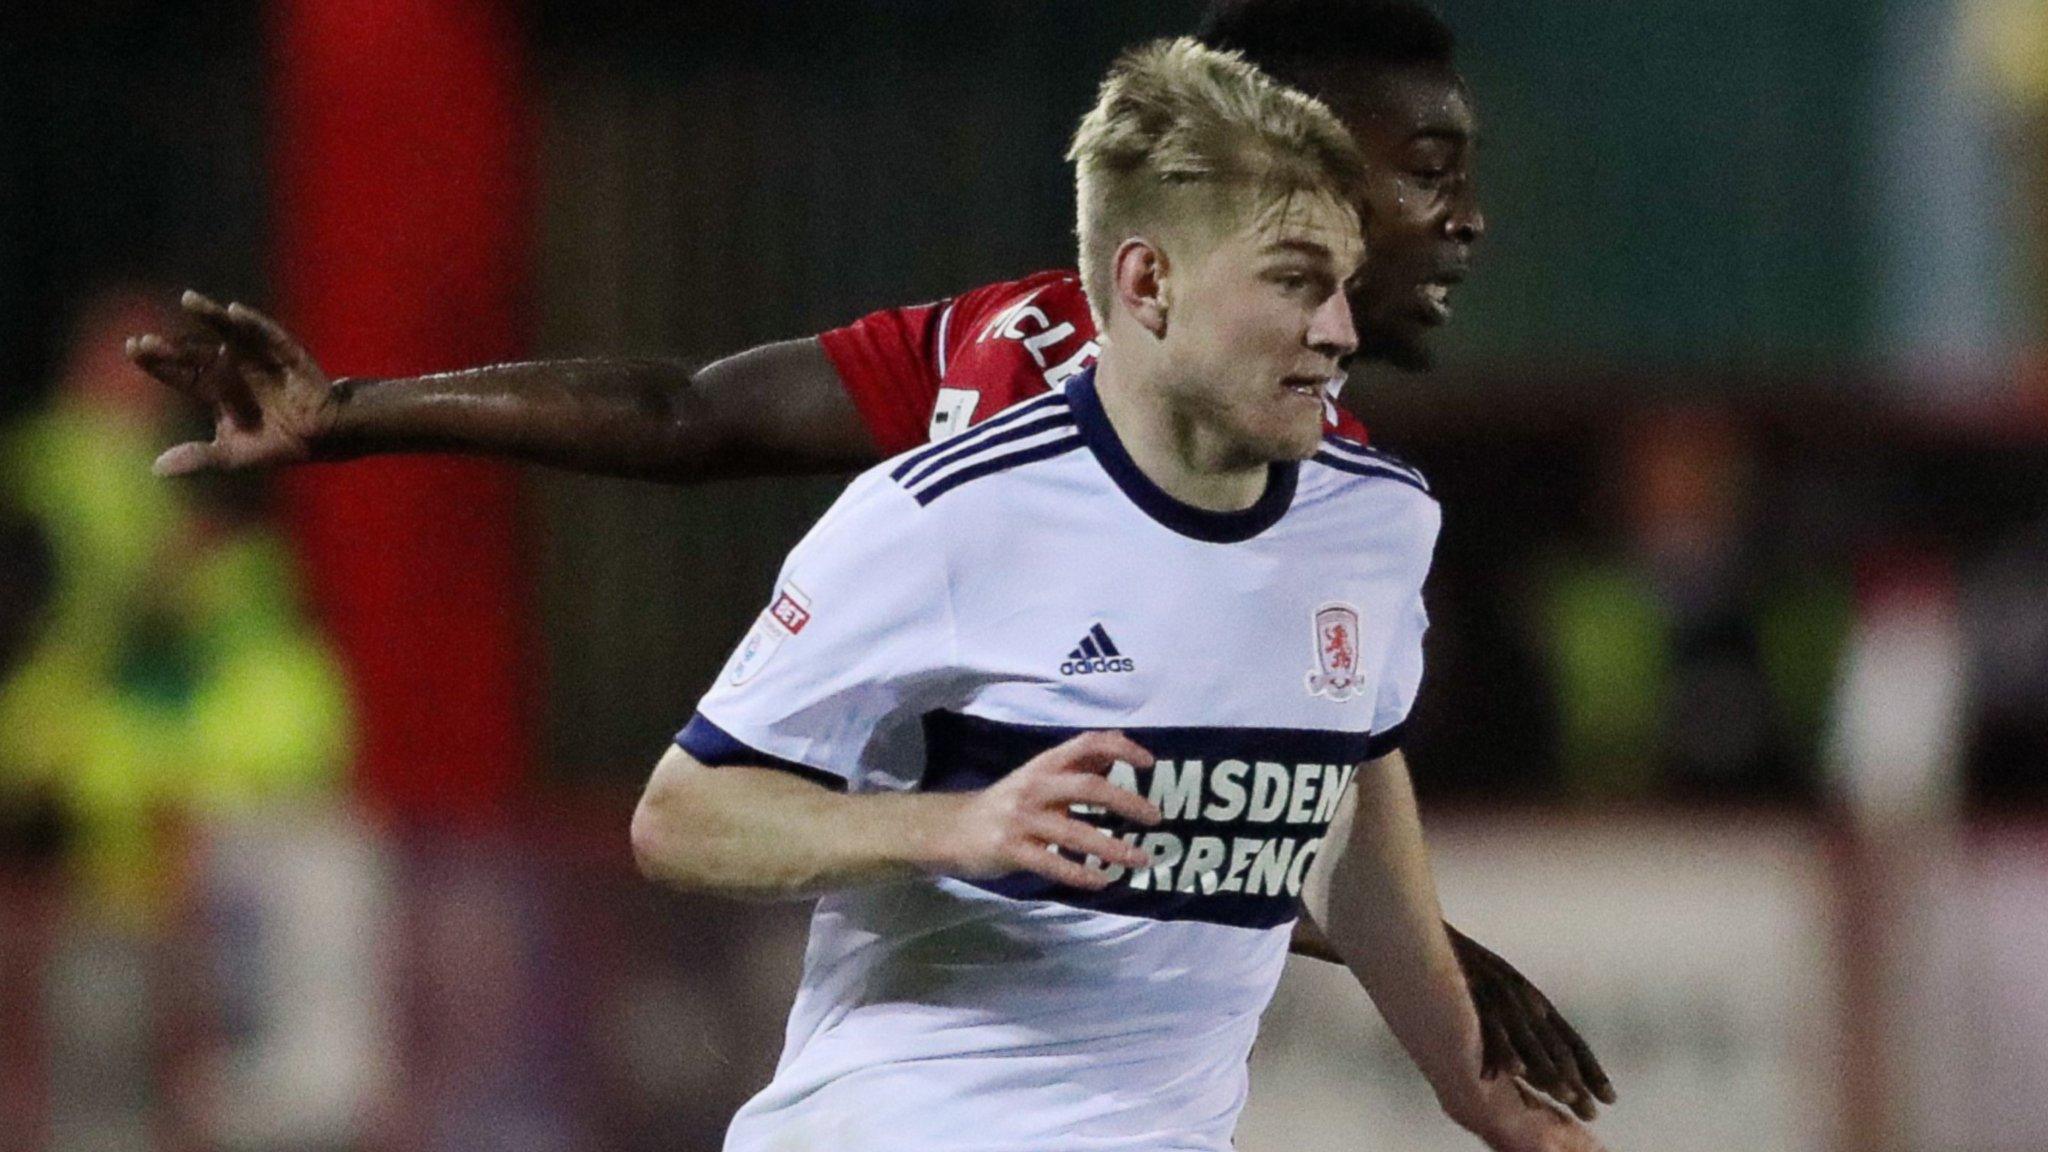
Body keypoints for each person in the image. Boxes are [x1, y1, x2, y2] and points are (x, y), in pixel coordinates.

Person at [127, 0, 1612, 1118]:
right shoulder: (1023, 394)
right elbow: (695, 419)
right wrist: (354, 417)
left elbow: (1299, 740)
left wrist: (1413, 970)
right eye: (1424, 168)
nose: (1464, 218)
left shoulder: (1345, 490)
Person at [632, 40, 1596, 1151]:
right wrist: (957, 823)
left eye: (1339, 284)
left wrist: (1478, 1094)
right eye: (1290, 281)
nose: (1336, 329)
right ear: (1148, 284)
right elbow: (682, 819)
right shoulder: (943, 516)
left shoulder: (1375, 523)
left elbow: (1354, 820)